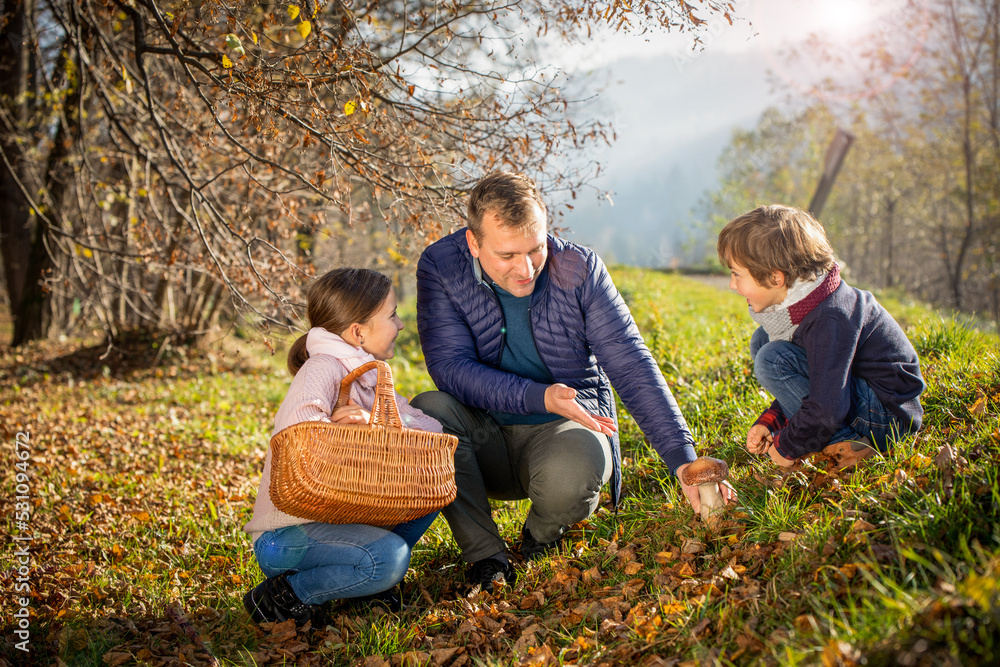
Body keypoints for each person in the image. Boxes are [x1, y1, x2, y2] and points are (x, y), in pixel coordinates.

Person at [410, 171, 734, 591]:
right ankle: (485, 558)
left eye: (536, 249)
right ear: (474, 243)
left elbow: (630, 362)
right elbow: (449, 367)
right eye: (507, 256)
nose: (525, 269)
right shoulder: (440, 265)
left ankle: (540, 538)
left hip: (561, 432)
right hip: (481, 435)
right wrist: (539, 396)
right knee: (429, 410)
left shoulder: (580, 269)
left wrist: (683, 459)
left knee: (579, 465)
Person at [242, 268, 443, 625]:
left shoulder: (370, 376)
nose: (399, 324)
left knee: (429, 491)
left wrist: (373, 423)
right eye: (392, 315)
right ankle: (287, 596)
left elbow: (429, 430)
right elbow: (299, 426)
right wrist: (348, 428)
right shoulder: (322, 368)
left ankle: (363, 586)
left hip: (337, 521)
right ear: (358, 332)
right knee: (389, 558)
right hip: (288, 536)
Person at [716, 205, 925, 470]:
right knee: (763, 341)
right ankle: (822, 437)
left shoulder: (829, 319)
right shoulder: (809, 302)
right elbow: (819, 381)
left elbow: (827, 404)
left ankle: (844, 449)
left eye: (736, 274)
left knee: (772, 358)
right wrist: (773, 420)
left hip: (888, 417)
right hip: (857, 396)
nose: (732, 285)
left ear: (775, 278)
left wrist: (788, 446)